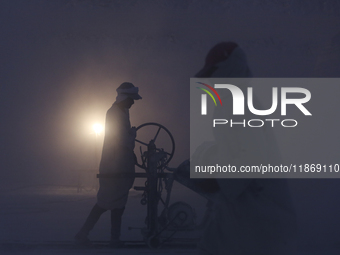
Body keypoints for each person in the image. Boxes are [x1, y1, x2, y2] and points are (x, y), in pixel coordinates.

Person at [194, 42, 297, 255]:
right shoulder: (235, 101)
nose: (210, 80)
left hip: (259, 218)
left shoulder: (238, 103)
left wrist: (216, 179)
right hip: (252, 218)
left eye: (213, 72)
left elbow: (252, 157)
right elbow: (240, 148)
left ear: (227, 69)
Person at [75, 82, 142, 247]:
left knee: (115, 204)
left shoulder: (121, 112)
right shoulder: (114, 114)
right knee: (106, 203)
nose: (133, 103)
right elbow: (121, 140)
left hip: (118, 166)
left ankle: (112, 238)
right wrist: (132, 135)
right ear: (125, 98)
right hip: (114, 168)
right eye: (131, 99)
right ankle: (87, 235)